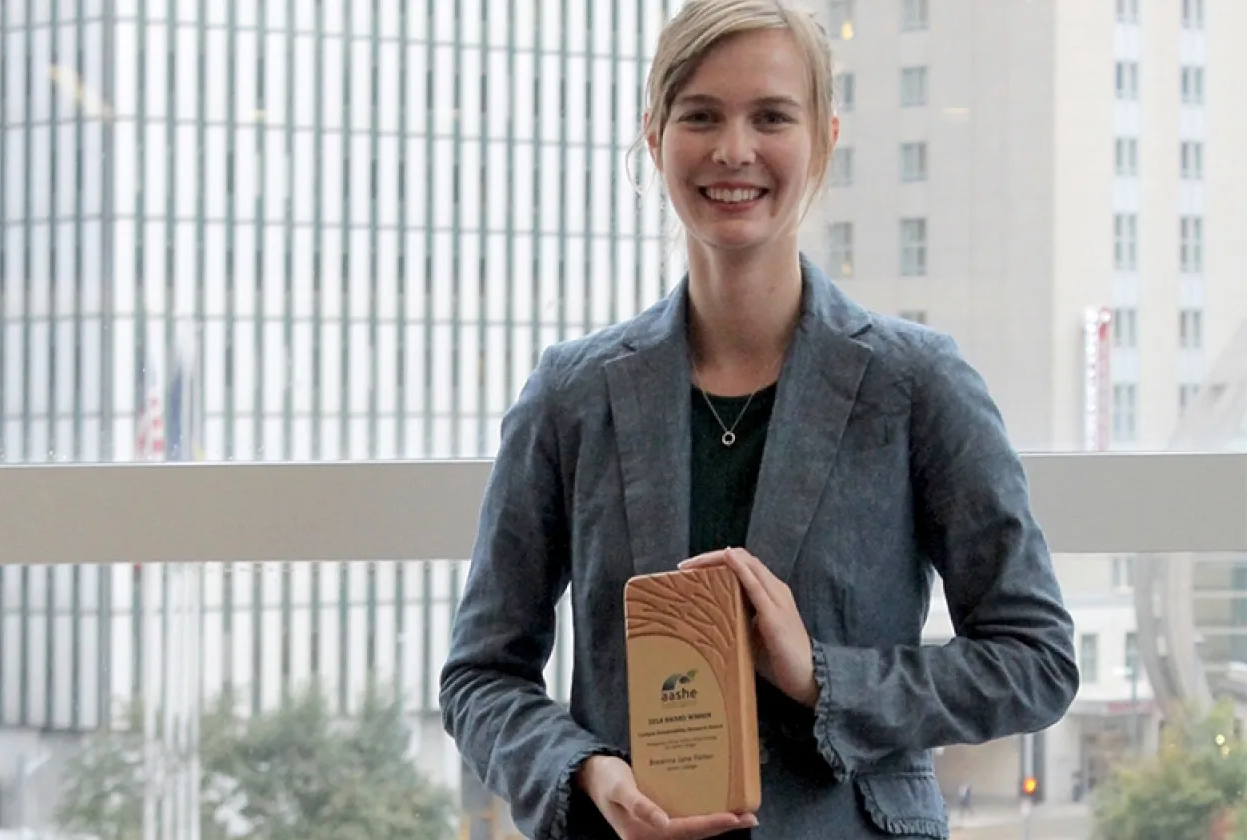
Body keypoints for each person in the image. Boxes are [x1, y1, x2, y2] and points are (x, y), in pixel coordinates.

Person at [439, 1, 1080, 838]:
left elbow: (1036, 661)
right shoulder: (572, 395)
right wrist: (586, 772)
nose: (733, 150)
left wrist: (824, 680)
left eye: (770, 116)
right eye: (700, 115)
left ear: (824, 137)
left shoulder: (917, 385)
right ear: (654, 134)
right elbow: (480, 677)